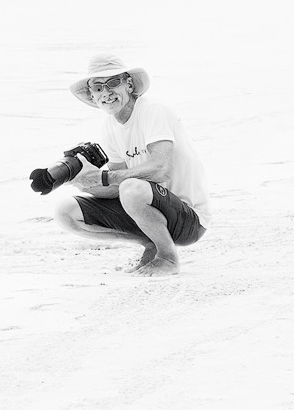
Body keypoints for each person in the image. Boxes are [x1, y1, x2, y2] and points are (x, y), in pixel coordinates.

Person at [47, 55, 210, 275]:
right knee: (64, 211)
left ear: (129, 84)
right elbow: (115, 190)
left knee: (131, 188)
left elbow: (162, 169)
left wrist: (105, 177)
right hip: (148, 212)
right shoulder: (110, 127)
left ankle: (168, 258)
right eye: (98, 87)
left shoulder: (152, 111)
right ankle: (151, 243)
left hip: (189, 219)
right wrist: (82, 181)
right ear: (92, 95)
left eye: (113, 82)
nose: (106, 92)